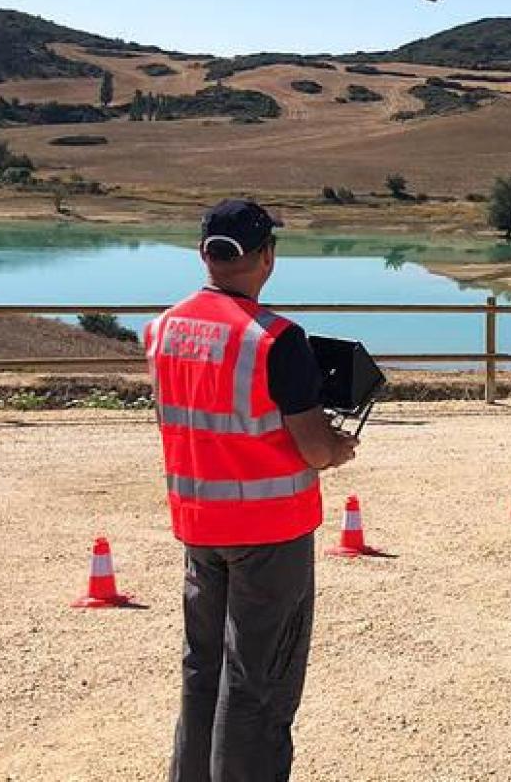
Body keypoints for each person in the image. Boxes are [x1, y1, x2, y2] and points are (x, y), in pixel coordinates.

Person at [145, 198, 359, 782]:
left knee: (203, 669)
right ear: (268, 257)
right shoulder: (275, 339)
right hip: (269, 530)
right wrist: (338, 450)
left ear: (203, 254)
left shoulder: (163, 330)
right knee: (258, 682)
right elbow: (314, 447)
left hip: (197, 523)